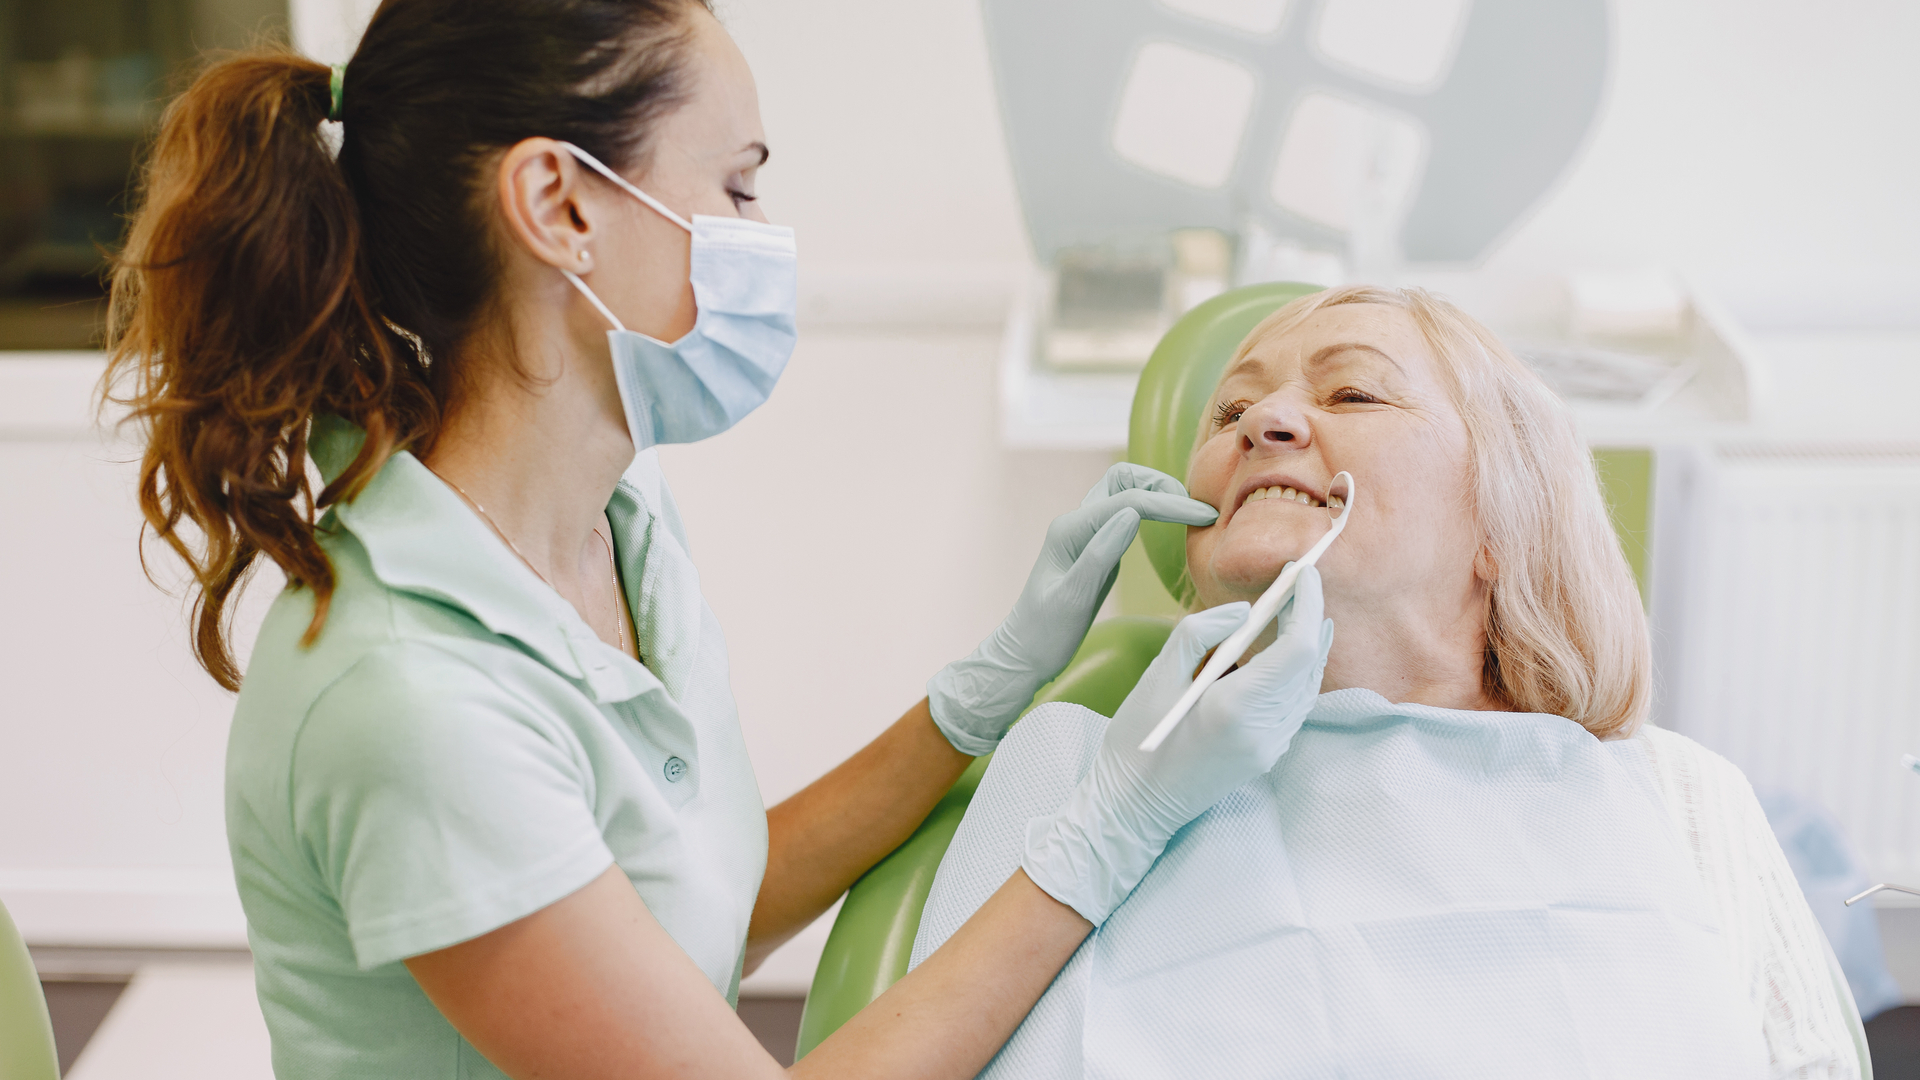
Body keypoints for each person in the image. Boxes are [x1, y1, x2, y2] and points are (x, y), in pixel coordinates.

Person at [102, 2, 1338, 1076]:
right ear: (559, 205)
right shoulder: (410, 700)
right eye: (738, 188)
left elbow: (693, 912)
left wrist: (980, 696)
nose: (763, 233)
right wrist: (1113, 826)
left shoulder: (614, 526)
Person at [910, 286, 1867, 1078]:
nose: (1264, 424)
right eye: (1231, 413)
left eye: (1355, 394)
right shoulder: (1080, 775)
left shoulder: (1680, 795)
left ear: (1504, 523)